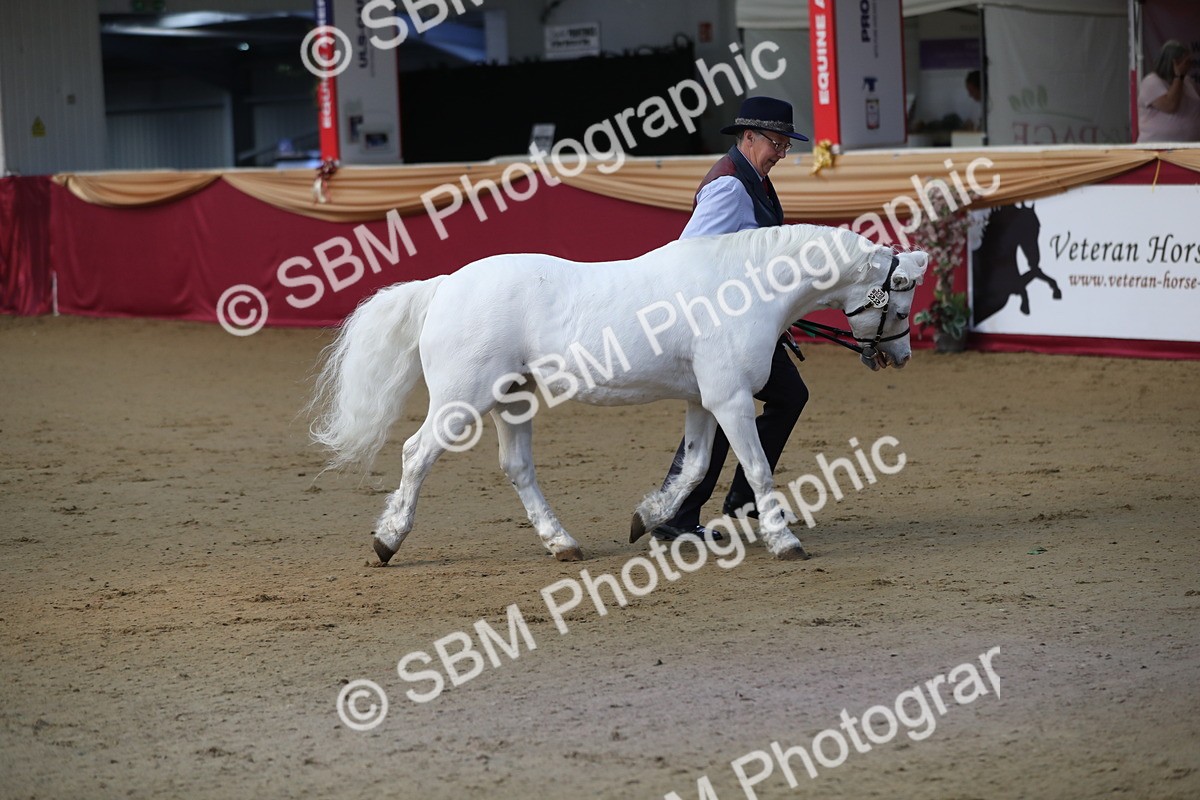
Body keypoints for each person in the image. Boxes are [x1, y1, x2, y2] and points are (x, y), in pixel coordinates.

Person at [651, 96, 811, 542]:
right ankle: (684, 513)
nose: (781, 152)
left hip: (746, 323)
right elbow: (691, 256)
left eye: (785, 145)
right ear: (749, 137)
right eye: (777, 143)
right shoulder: (730, 186)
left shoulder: (753, 178)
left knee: (784, 397)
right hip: (722, 327)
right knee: (733, 407)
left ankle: (725, 502)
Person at [1137, 40, 1200, 143]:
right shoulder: (1151, 82)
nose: (1188, 66)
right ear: (1173, 63)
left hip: (1188, 149)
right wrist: (1178, 76)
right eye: (1185, 62)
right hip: (1159, 149)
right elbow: (1171, 106)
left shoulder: (1187, 82)